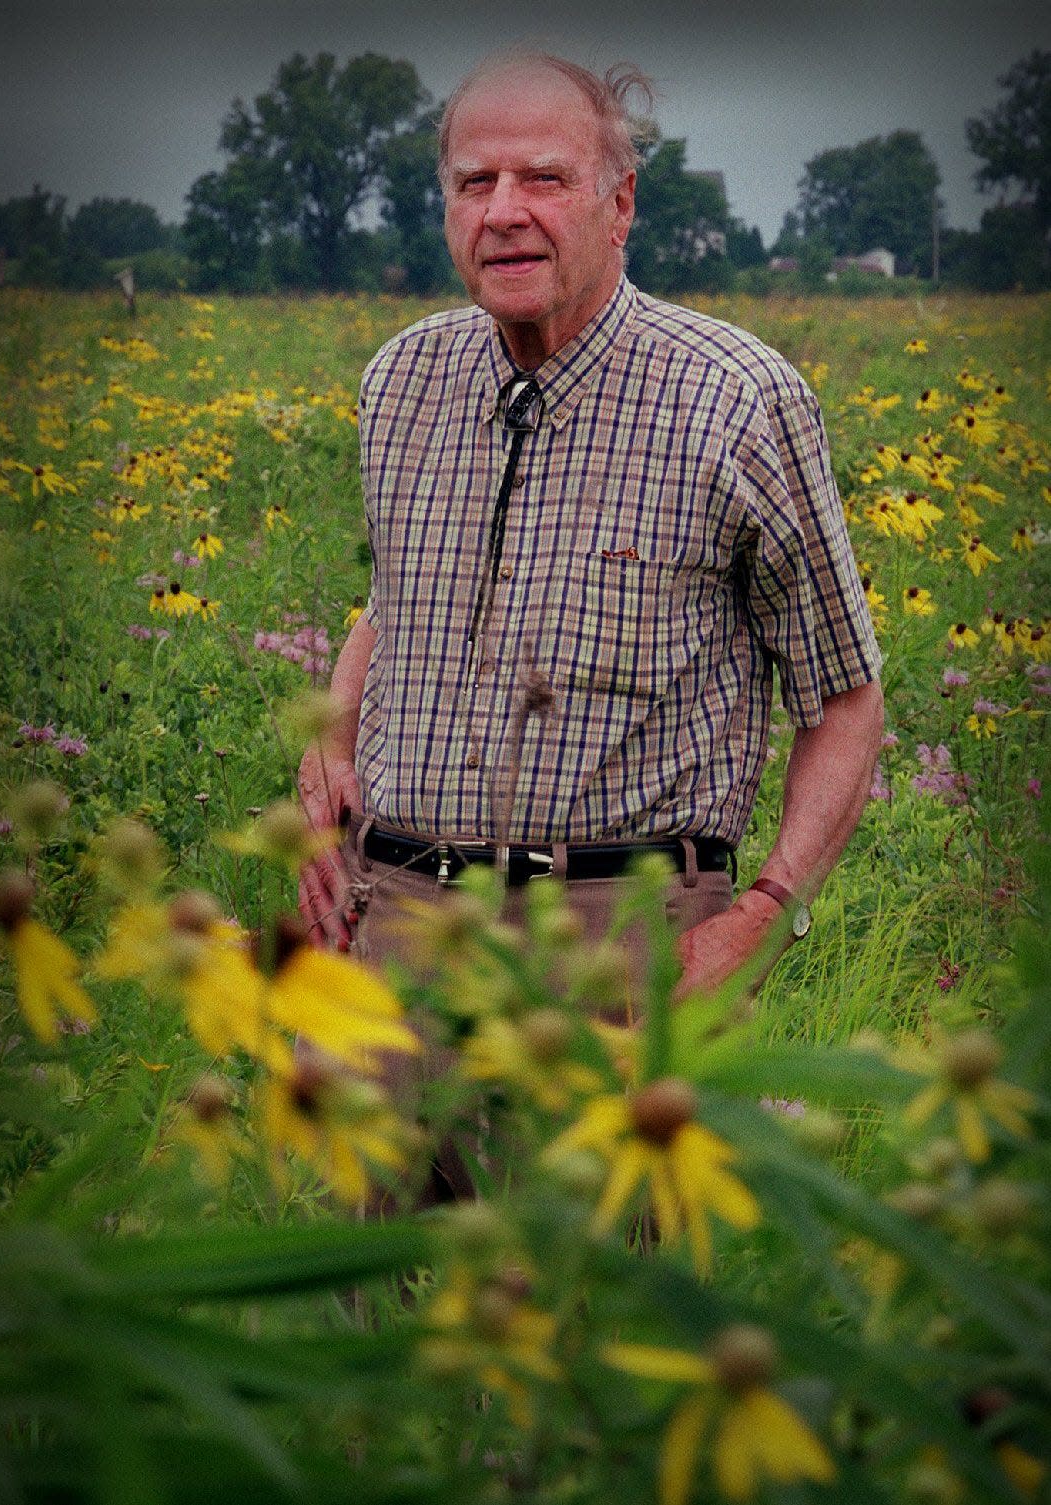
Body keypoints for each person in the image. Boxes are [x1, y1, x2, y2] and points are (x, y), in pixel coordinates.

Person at [298, 50, 883, 1014]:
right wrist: (328, 748)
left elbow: (845, 695)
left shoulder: (735, 400)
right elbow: (393, 603)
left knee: (597, 1176)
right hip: (387, 927)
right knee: (369, 1171)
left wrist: (768, 911)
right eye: (474, 182)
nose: (503, 211)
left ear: (620, 205)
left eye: (544, 179)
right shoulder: (401, 379)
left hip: (616, 940)